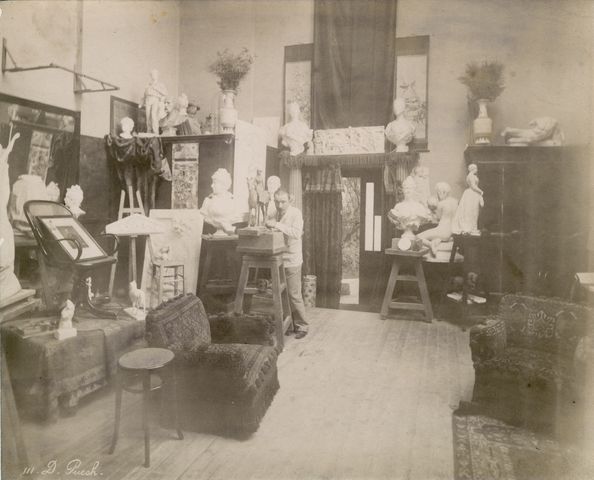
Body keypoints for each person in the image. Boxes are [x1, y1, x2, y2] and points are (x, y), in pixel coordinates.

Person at [265, 189, 308, 339]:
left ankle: (302, 326)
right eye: (277, 201)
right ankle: (288, 325)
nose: (280, 205)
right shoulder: (274, 212)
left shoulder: (295, 213)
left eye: (283, 201)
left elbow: (297, 233)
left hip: (292, 258)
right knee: (281, 294)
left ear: (290, 200)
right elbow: (270, 227)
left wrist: (276, 224)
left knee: (293, 294)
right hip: (278, 257)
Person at [418, 182, 458, 256]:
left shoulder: (441, 204)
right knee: (436, 238)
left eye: (438, 193)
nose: (438, 195)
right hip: (451, 232)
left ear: (441, 192)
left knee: (417, 237)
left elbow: (437, 219)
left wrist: (431, 210)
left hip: (442, 231)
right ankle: (435, 243)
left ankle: (430, 245)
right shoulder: (455, 202)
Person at [452, 164, 484, 234]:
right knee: (471, 210)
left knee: (473, 211)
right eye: (476, 168)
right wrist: (481, 191)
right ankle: (469, 227)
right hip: (472, 194)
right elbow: (473, 186)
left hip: (473, 194)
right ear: (473, 169)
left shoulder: (472, 176)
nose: (477, 170)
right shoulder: (471, 176)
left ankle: (472, 227)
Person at [141, 69, 168, 134]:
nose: (153, 76)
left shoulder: (160, 84)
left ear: (157, 75)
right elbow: (144, 95)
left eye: (155, 74)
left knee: (153, 115)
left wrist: (156, 88)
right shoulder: (148, 85)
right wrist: (141, 103)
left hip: (155, 99)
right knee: (148, 116)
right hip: (148, 100)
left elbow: (165, 93)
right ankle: (149, 130)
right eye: (152, 74)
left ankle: (155, 131)